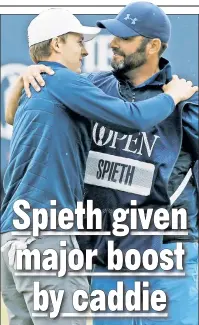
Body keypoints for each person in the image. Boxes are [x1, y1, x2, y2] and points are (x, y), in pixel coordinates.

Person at [4, 3, 198, 325]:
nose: (108, 43)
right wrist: (26, 74)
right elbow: (134, 119)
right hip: (92, 249)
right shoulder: (82, 86)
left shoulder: (186, 104)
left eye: (123, 36)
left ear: (152, 46)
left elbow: (14, 115)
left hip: (165, 252)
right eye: (110, 35)